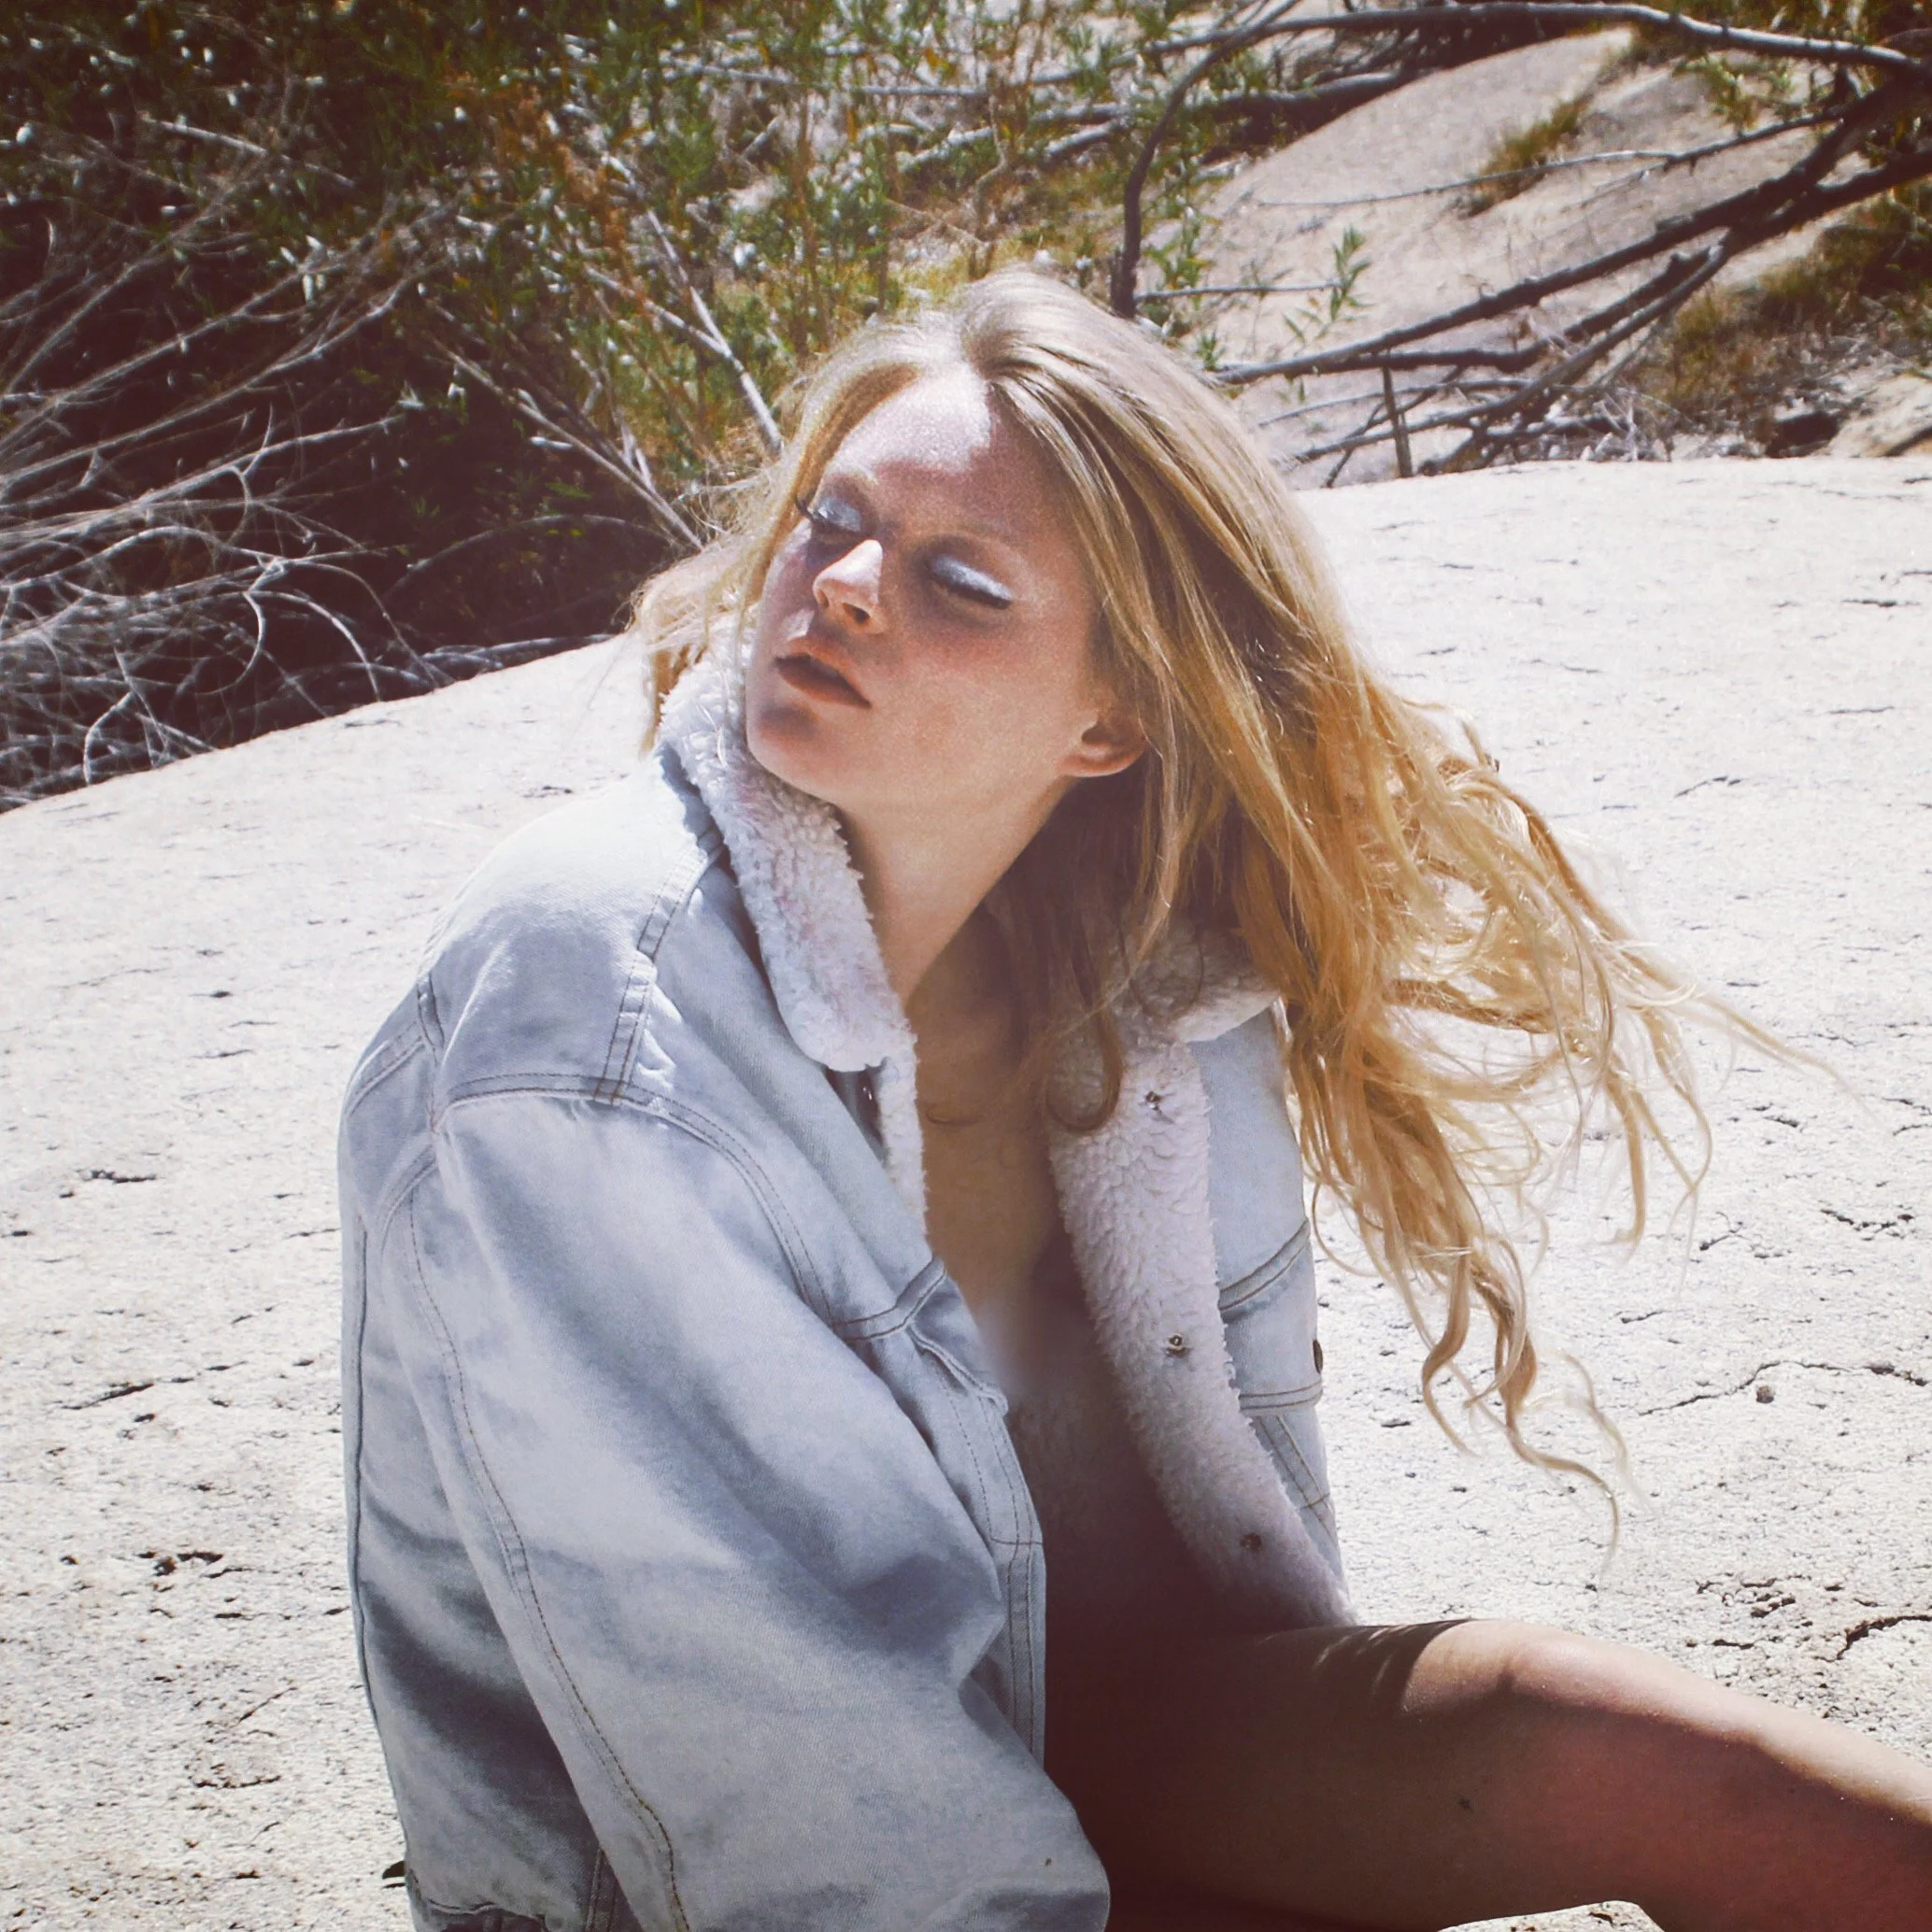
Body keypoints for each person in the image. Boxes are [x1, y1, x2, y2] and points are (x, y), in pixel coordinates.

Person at [337, 267, 1932, 1932]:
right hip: (752, 1864)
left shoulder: (1146, 975)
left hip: (1119, 1724)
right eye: (834, 518)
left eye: (962, 581)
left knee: (1650, 1766)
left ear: (1110, 722)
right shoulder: (594, 1026)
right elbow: (806, 1817)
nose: (848, 588)